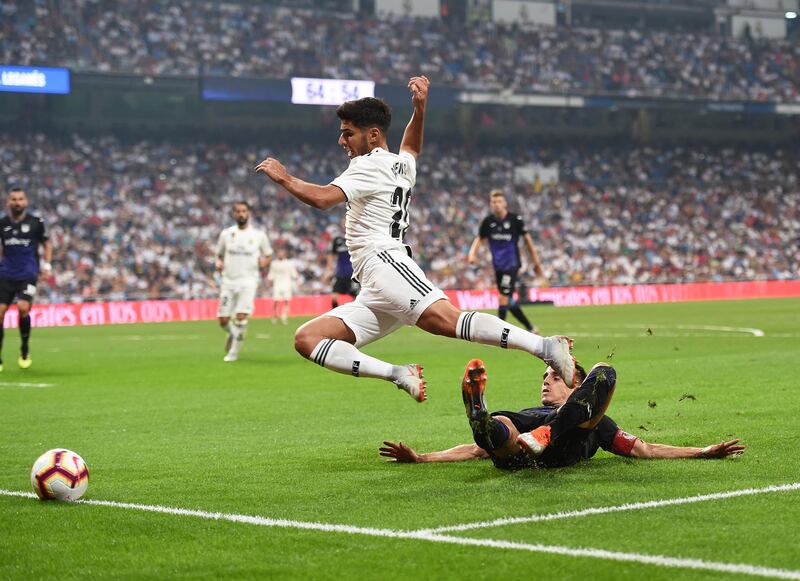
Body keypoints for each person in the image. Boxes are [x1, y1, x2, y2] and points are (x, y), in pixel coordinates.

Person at [255, 76, 576, 403]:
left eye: (348, 132)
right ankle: (398, 373)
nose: (342, 140)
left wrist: (285, 178)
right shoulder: (400, 165)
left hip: (385, 262)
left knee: (446, 320)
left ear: (374, 134)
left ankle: (544, 346)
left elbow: (323, 198)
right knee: (308, 338)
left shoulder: (367, 166)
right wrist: (419, 108)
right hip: (373, 283)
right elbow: (411, 146)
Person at [380, 359, 745, 468]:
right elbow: (476, 450)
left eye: (555, 377)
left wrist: (701, 451)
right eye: (543, 377)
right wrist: (422, 457)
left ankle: (543, 431)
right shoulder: (530, 412)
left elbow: (642, 448)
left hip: (565, 436)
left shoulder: (597, 421)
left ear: (574, 386)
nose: (546, 381)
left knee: (604, 373)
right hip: (523, 448)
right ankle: (480, 413)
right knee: (499, 428)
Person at [467, 189, 544, 333]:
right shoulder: (488, 222)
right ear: (491, 204)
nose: (496, 204)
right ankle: (531, 328)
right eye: (493, 202)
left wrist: (536, 262)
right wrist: (472, 254)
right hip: (498, 266)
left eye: (499, 201)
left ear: (505, 203)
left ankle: (497, 332)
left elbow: (527, 240)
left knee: (503, 297)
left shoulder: (515, 220)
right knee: (508, 300)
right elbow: (479, 238)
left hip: (512, 264)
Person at [0, 187, 52, 371]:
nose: (17, 202)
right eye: (13, 199)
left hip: (28, 273)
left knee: (23, 308)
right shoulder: (2, 223)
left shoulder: (36, 222)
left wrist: (47, 266)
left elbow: (46, 243)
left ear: (26, 202)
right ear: (8, 202)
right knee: (0, 312)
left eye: (20, 199)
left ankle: (24, 348)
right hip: (5, 274)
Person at [215, 201, 272, 362]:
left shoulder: (258, 235)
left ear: (248, 213)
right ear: (234, 214)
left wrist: (264, 263)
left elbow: (268, 255)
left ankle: (233, 353)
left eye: (244, 211)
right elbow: (218, 255)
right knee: (223, 320)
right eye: (238, 211)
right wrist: (218, 263)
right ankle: (233, 335)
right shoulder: (226, 234)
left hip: (248, 281)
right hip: (228, 281)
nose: (241, 214)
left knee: (241, 316)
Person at [324, 223, 359, 308]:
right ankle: (335, 314)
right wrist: (327, 272)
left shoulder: (356, 238)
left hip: (352, 274)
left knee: (357, 298)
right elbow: (330, 256)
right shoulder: (337, 240)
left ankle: (355, 315)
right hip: (340, 274)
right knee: (334, 297)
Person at [267, 247, 299, 325]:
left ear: (284, 254)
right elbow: (271, 274)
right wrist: (270, 282)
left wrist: (296, 278)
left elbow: (294, 274)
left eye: (282, 252)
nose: (280, 254)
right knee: (276, 301)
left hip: (287, 284)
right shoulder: (274, 263)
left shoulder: (289, 263)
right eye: (279, 252)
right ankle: (275, 316)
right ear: (277, 254)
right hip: (277, 284)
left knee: (286, 301)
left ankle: (284, 317)